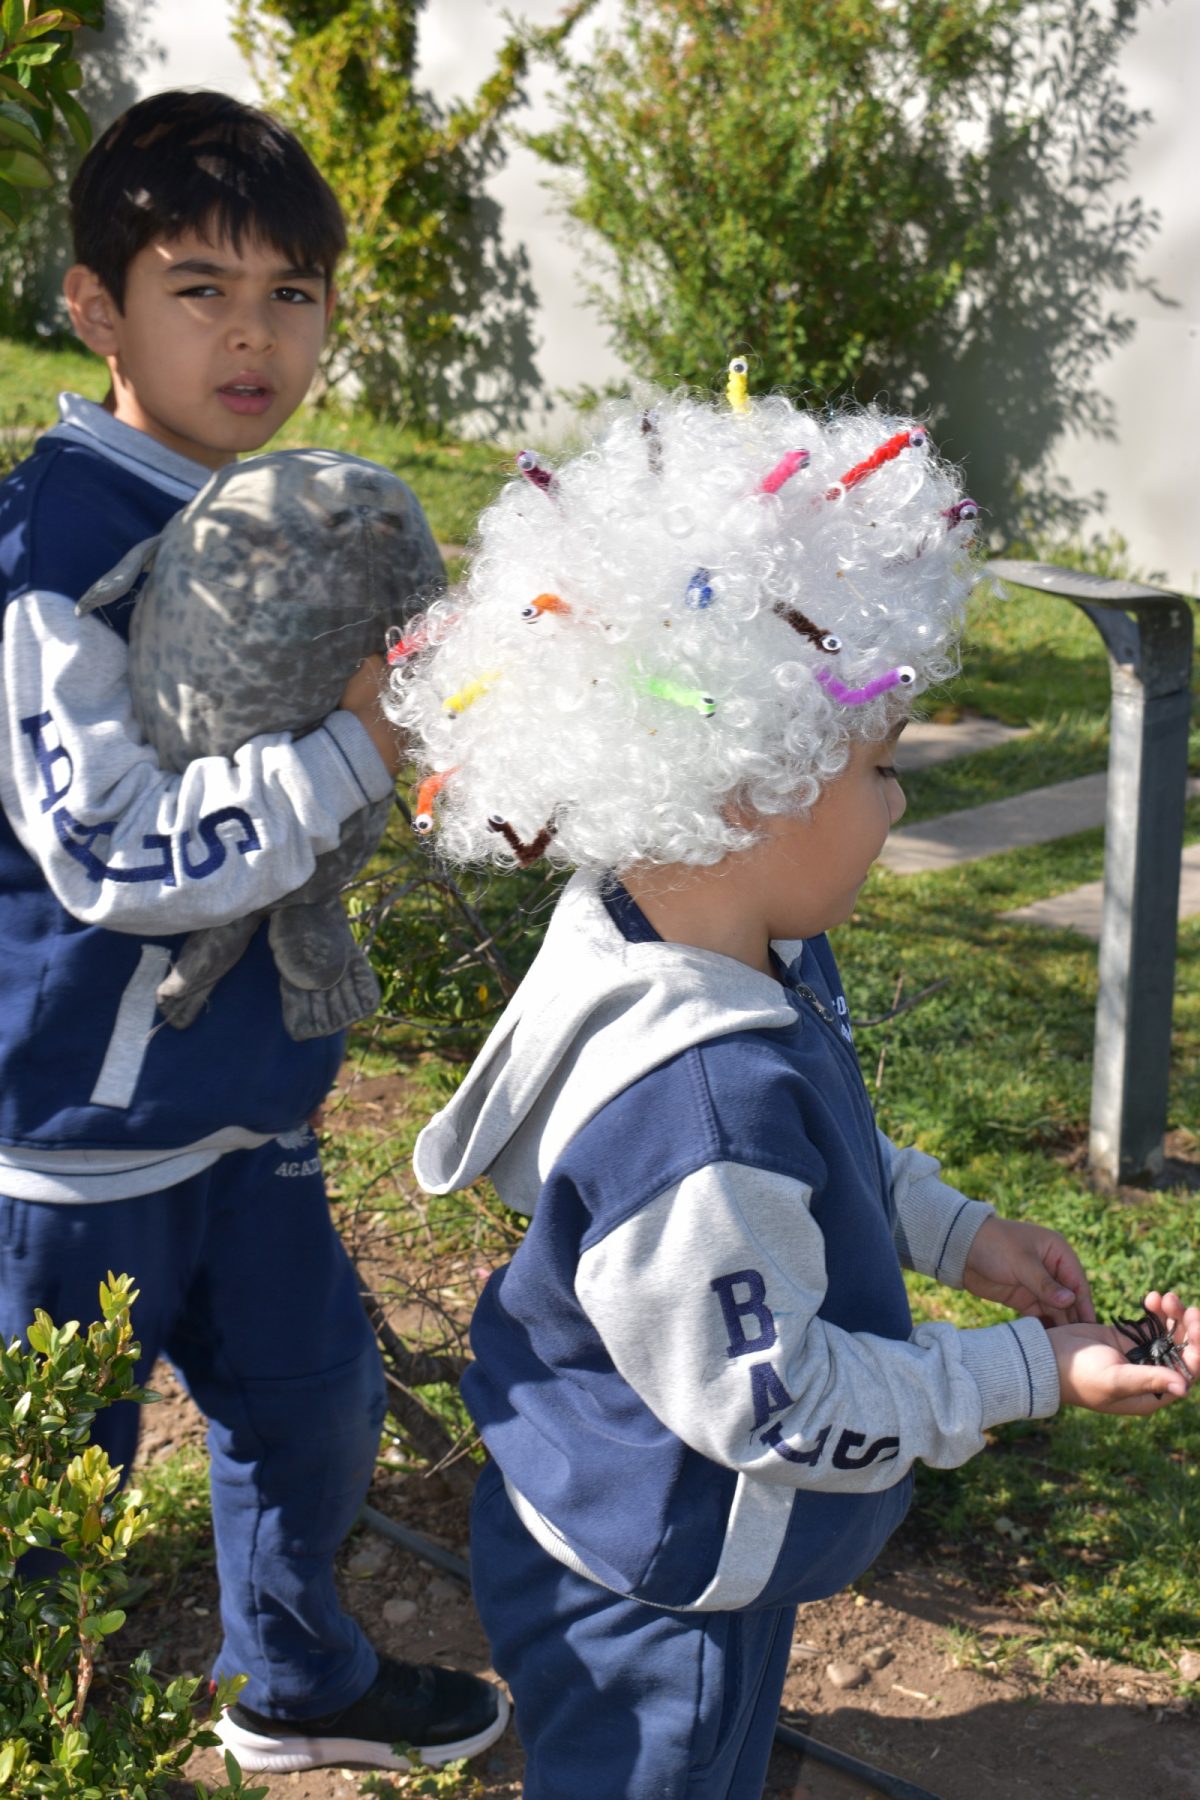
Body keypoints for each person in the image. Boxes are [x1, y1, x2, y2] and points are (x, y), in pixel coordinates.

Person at [389, 390, 1200, 1799]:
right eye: (881, 769)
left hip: (671, 1523)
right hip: (662, 1588)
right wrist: (1033, 1376)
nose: (897, 809)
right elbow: (772, 1405)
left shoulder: (685, 934)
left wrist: (958, 1236)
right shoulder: (694, 1109)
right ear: (749, 783)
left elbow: (825, 1137)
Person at [0, 89, 507, 1776]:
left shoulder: (290, 509)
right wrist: (358, 744)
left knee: (310, 1408)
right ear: (96, 307)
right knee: (43, 1492)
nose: (250, 334)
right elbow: (105, 847)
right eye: (197, 286)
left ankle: (297, 1684)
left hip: (253, 1100)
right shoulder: (51, 548)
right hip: (74, 1139)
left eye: (291, 294)